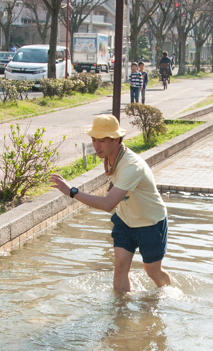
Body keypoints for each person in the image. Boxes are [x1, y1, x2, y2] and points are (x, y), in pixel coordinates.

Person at [49, 115, 171, 293]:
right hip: (125, 219)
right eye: (94, 140)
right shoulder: (109, 156)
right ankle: (120, 308)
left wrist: (72, 192)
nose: (96, 146)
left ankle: (167, 294)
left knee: (152, 270)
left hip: (150, 222)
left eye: (102, 141)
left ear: (116, 140)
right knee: (120, 267)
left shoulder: (132, 166)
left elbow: (108, 204)